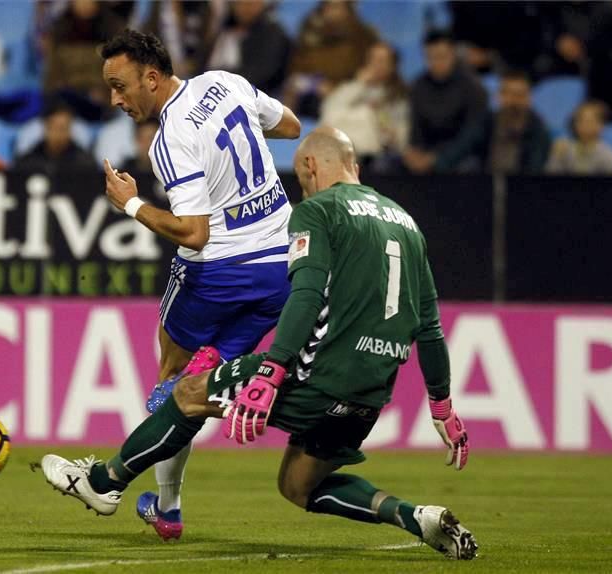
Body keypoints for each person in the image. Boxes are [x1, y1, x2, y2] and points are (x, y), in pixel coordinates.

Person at [39, 127, 478, 561]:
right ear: (355, 167)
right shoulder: (407, 224)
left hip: (313, 375)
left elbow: (305, 296)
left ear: (308, 166)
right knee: (298, 486)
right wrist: (441, 405)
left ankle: (104, 482)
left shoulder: (318, 211)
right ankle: (415, 516)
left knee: (189, 392)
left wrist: (271, 370)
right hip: (370, 393)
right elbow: (430, 327)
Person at [95, 29, 301, 540]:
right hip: (282, 267)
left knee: (172, 377)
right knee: (197, 382)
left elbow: (194, 231)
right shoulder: (226, 82)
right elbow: (292, 127)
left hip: (220, 271)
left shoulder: (170, 140)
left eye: (120, 86)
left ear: (151, 76)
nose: (115, 99)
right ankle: (167, 506)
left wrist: (131, 204)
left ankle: (163, 504)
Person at [430, 70, 551, 174]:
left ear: (529, 99)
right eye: (509, 94)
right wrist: (434, 164)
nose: (514, 101)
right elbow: (460, 149)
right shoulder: (486, 122)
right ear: (499, 96)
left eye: (520, 95)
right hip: (486, 186)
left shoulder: (538, 130)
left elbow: (534, 171)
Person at [403, 30, 488, 174]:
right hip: (426, 154)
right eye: (430, 57)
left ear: (453, 54)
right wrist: (414, 152)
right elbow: (416, 128)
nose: (436, 62)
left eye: (441, 57)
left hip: (461, 156)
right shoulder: (418, 86)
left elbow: (472, 135)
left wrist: (439, 159)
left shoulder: (473, 87)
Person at [320, 41, 408, 171]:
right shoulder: (352, 89)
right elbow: (328, 114)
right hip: (346, 153)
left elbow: (404, 136)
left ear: (392, 65)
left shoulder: (399, 97)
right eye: (373, 59)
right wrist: (359, 84)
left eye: (383, 60)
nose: (377, 65)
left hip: (380, 157)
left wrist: (393, 134)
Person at [205, 0, 292, 95]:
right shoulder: (225, 30)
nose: (244, 9)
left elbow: (261, 73)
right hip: (216, 87)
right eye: (240, 4)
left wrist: (225, 85)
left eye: (250, 4)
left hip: (257, 94)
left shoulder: (272, 33)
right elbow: (205, 63)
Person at [12, 102, 94, 173]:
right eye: (54, 128)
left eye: (63, 128)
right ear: (45, 128)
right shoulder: (29, 162)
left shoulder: (84, 163)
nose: (58, 134)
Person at [546, 100, 612, 174]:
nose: (584, 125)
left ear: (601, 125)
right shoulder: (564, 148)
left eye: (589, 121)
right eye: (580, 120)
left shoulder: (608, 155)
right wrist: (556, 155)